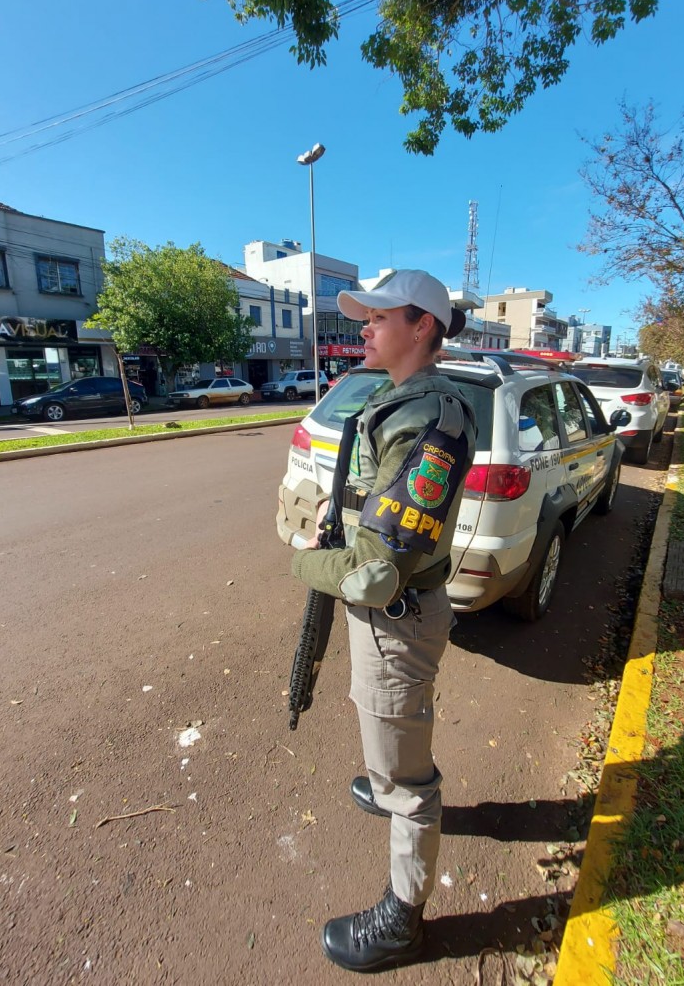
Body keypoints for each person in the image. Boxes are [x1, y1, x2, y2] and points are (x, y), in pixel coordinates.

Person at [291, 269, 477, 972]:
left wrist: (301, 563)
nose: (361, 329)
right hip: (389, 616)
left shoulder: (428, 416)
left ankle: (402, 920)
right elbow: (381, 514)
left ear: (420, 325)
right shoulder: (404, 401)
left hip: (392, 616)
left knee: (408, 783)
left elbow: (374, 573)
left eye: (376, 318)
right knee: (383, 726)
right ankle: (386, 774)